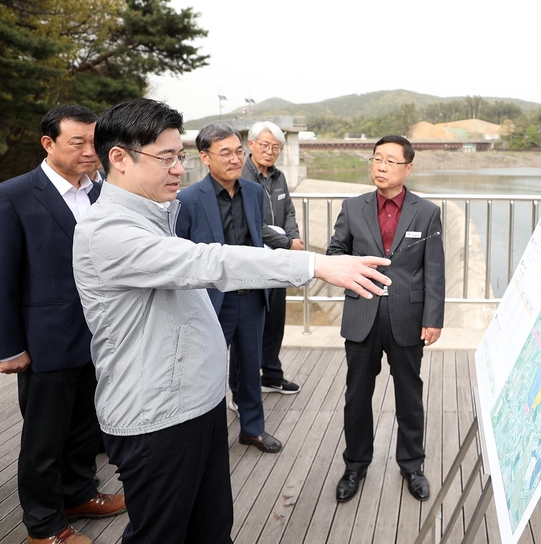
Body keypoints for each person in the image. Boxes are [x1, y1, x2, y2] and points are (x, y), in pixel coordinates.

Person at [71, 98, 390, 544]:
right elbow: (209, 261)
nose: (178, 170)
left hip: (197, 405)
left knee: (213, 527)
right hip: (156, 417)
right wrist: (314, 265)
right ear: (119, 159)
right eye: (166, 158)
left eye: (177, 157)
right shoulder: (108, 232)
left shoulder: (156, 214)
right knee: (160, 534)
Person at [0, 104, 126, 544]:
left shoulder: (101, 193)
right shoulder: (12, 196)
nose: (88, 150)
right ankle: (43, 526)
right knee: (45, 439)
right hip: (45, 341)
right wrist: (8, 347)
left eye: (92, 141)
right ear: (49, 144)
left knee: (85, 428)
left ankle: (79, 494)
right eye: (76, 142)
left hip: (98, 336)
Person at [327, 135, 445, 503]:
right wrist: (356, 267)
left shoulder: (426, 212)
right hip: (362, 312)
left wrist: (434, 318)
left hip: (407, 317)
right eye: (377, 159)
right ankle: (355, 465)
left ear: (408, 168)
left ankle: (412, 465)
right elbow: (335, 253)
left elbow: (434, 269)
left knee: (409, 395)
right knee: (357, 396)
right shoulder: (353, 206)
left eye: (391, 161)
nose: (381, 166)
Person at [176, 123, 281, 453]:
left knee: (250, 367)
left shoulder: (253, 192)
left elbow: (257, 237)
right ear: (204, 157)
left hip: (251, 297)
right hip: (209, 301)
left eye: (239, 151)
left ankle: (252, 428)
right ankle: (205, 436)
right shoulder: (188, 199)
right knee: (205, 371)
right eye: (226, 153)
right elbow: (179, 254)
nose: (235, 159)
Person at [240, 121, 303, 396]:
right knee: (252, 323)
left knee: (276, 318)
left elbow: (288, 209)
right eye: (265, 145)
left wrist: (294, 238)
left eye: (276, 147)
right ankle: (246, 385)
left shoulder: (278, 176)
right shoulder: (241, 176)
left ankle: (272, 374)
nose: (270, 151)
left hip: (278, 259)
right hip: (253, 259)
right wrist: (288, 243)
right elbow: (250, 221)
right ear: (251, 144)